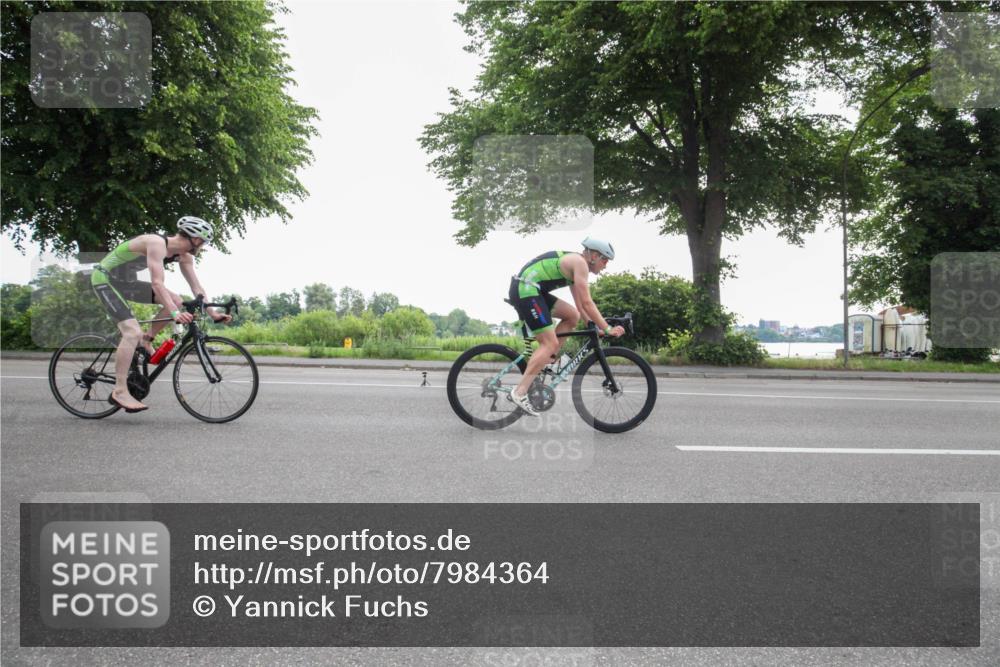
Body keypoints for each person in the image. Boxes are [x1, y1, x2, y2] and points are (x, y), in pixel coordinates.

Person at [90, 216, 231, 413]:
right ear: (196, 239)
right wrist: (175, 313)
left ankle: (147, 338)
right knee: (132, 332)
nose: (203, 247)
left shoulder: (184, 257)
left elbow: (197, 287)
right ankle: (120, 391)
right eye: (204, 242)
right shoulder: (156, 243)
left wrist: (213, 313)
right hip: (104, 279)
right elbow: (157, 283)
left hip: (127, 284)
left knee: (177, 300)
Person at [507, 237, 625, 416]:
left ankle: (549, 361)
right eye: (605, 260)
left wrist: (593, 327)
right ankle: (519, 392)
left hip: (531, 289)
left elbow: (580, 306)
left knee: (572, 316)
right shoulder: (580, 263)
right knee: (549, 343)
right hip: (526, 289)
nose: (606, 266)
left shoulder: (576, 264)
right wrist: (608, 328)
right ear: (594, 255)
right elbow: (588, 302)